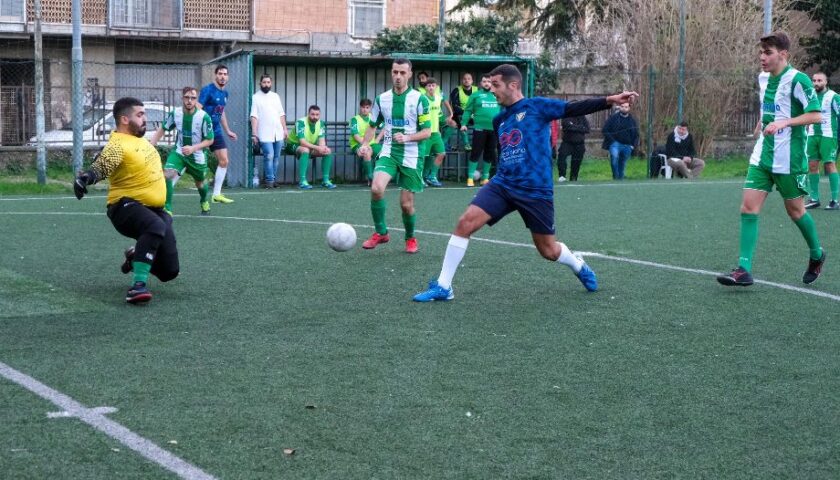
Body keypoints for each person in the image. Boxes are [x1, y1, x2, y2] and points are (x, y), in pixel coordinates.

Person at [413, 64, 638, 302]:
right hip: (503, 184)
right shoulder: (500, 119)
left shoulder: (537, 106)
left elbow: (573, 108)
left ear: (513, 85)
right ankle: (444, 286)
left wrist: (609, 100)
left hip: (535, 189)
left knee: (548, 250)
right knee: (465, 223)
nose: (492, 90)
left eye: (496, 85)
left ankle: (577, 264)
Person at [717, 31, 825, 287]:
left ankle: (817, 254)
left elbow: (815, 115)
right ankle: (743, 269)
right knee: (748, 208)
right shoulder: (764, 79)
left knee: (796, 212)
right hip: (763, 155)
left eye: (768, 53)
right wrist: (761, 124)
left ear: (783, 54)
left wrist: (785, 122)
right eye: (761, 53)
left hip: (790, 159)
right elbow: (771, 110)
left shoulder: (799, 80)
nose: (762, 58)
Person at [72, 97, 179, 304]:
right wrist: (87, 178)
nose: (145, 119)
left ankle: (135, 256)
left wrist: (163, 173)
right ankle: (137, 288)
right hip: (123, 206)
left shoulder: (142, 142)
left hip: (155, 209)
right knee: (155, 225)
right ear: (124, 119)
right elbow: (104, 163)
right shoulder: (118, 144)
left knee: (169, 271)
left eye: (144, 114)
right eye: (140, 115)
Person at [359, 58, 431, 254]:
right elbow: (372, 126)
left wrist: (407, 137)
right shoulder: (382, 99)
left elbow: (427, 132)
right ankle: (381, 233)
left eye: (402, 73)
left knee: (406, 205)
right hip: (389, 150)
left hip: (413, 154)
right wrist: (365, 144)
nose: (398, 76)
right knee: (376, 188)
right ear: (391, 73)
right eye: (395, 72)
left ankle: (410, 237)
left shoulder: (419, 99)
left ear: (409, 74)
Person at [150, 87, 215, 215]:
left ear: (196, 100)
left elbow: (210, 140)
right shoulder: (176, 113)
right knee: (167, 174)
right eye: (187, 97)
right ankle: (167, 208)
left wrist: (193, 148)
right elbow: (163, 128)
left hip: (197, 155)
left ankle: (204, 200)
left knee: (200, 184)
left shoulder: (204, 117)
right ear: (182, 98)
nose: (189, 101)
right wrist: (151, 145)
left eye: (193, 98)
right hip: (179, 152)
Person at [198, 64, 238, 204]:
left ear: (228, 77)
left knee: (224, 161)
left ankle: (216, 194)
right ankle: (168, 185)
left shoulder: (225, 94)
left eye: (225, 74)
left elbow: (221, 112)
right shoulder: (207, 90)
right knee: (186, 160)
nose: (222, 76)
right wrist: (198, 128)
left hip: (216, 130)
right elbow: (198, 109)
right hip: (202, 131)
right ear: (215, 75)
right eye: (220, 73)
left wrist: (227, 131)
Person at [804, 72, 840, 210]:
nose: (816, 83)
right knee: (812, 165)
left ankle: (834, 200)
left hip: (828, 136)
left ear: (826, 82)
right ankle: (814, 199)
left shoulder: (834, 97)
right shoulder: (810, 97)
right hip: (812, 135)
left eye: (819, 80)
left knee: (829, 165)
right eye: (814, 80)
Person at [461, 73, 501, 186]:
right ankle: (470, 178)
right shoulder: (475, 95)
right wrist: (464, 123)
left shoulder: (497, 95)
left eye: (489, 82)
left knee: (489, 153)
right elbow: (468, 110)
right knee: (476, 153)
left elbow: (503, 111)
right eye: (484, 81)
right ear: (481, 83)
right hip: (479, 128)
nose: (487, 83)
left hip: (494, 130)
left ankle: (485, 178)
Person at [284, 105, 335, 189]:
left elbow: (322, 140)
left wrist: (323, 147)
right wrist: (317, 148)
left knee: (328, 151)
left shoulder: (321, 123)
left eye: (317, 114)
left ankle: (325, 180)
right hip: (292, 145)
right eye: (312, 114)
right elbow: (302, 142)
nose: (315, 117)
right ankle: (302, 181)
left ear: (320, 115)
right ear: (308, 114)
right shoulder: (300, 122)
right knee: (305, 150)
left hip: (309, 146)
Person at [250, 73, 287, 188]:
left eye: (268, 82)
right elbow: (254, 116)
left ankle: (273, 179)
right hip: (264, 133)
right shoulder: (255, 97)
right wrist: (254, 133)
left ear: (271, 83)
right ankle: (269, 180)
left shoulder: (275, 96)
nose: (266, 84)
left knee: (276, 158)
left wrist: (285, 129)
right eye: (264, 82)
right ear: (260, 83)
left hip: (278, 132)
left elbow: (281, 114)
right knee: (269, 155)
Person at [420, 78, 452, 187]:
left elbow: (438, 114)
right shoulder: (422, 98)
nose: (431, 87)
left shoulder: (438, 98)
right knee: (423, 157)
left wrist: (445, 123)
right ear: (425, 88)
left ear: (436, 87)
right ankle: (419, 178)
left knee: (441, 154)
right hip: (425, 133)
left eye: (433, 85)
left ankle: (431, 176)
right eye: (429, 86)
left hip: (435, 133)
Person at [601, 102, 639, 180]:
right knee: (614, 161)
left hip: (628, 146)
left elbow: (636, 134)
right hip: (615, 144)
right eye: (622, 106)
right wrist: (612, 141)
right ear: (619, 107)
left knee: (622, 164)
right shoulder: (613, 118)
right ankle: (616, 177)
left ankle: (620, 181)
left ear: (629, 108)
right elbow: (605, 130)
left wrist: (632, 146)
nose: (624, 108)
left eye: (626, 107)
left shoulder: (632, 120)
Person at [349, 98, 382, 185]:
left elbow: (385, 127)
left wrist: (377, 139)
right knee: (366, 152)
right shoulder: (354, 119)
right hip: (357, 144)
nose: (364, 109)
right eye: (363, 107)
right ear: (360, 107)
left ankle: (380, 177)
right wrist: (365, 145)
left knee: (385, 153)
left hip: (372, 144)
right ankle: (370, 178)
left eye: (367, 107)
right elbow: (355, 136)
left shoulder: (373, 118)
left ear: (370, 108)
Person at [556, 114, 590, 182]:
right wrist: (580, 127)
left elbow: (587, 129)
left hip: (579, 143)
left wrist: (573, 127)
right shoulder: (566, 117)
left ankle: (574, 177)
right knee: (562, 157)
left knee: (576, 161)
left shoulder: (582, 117)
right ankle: (562, 176)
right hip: (567, 142)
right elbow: (567, 127)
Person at [449, 72, 474, 151]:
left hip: (474, 115)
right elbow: (455, 107)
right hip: (461, 115)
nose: (467, 80)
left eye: (469, 79)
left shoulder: (477, 90)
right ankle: (467, 144)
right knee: (460, 118)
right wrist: (467, 114)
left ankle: (479, 143)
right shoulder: (456, 90)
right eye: (465, 79)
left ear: (472, 81)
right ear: (462, 81)